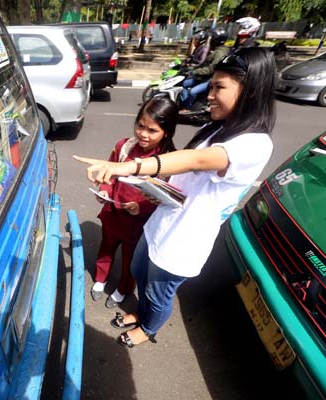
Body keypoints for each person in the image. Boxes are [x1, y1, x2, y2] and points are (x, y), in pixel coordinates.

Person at [74, 47, 276, 348]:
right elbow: (189, 179)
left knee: (158, 293)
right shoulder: (218, 127)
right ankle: (141, 313)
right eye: (212, 86)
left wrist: (123, 167)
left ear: (250, 91)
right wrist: (158, 191)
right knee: (139, 272)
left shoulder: (255, 143)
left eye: (219, 87)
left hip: (183, 242)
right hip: (160, 223)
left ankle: (148, 327)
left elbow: (196, 161)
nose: (209, 94)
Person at [90, 96, 178, 308]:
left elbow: (168, 197)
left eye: (152, 130)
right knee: (106, 247)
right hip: (113, 212)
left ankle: (123, 289)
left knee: (130, 259)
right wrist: (104, 189)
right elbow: (110, 172)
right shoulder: (124, 147)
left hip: (139, 224)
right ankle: (101, 278)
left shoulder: (169, 160)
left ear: (166, 131)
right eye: (140, 126)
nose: (143, 134)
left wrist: (142, 206)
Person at [179, 27, 230, 111]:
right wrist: (191, 69)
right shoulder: (215, 50)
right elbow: (202, 64)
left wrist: (194, 72)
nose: (210, 40)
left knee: (192, 92)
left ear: (216, 40)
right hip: (203, 77)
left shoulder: (220, 53)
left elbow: (211, 69)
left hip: (210, 79)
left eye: (212, 38)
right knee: (184, 83)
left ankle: (186, 109)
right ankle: (185, 103)